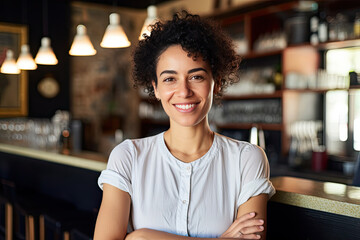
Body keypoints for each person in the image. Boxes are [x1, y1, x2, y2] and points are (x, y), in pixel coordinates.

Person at [94, 11, 275, 240]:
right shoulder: (128, 157)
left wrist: (140, 237)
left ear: (216, 83)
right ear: (156, 88)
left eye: (196, 77)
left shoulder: (247, 159)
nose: (184, 92)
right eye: (170, 79)